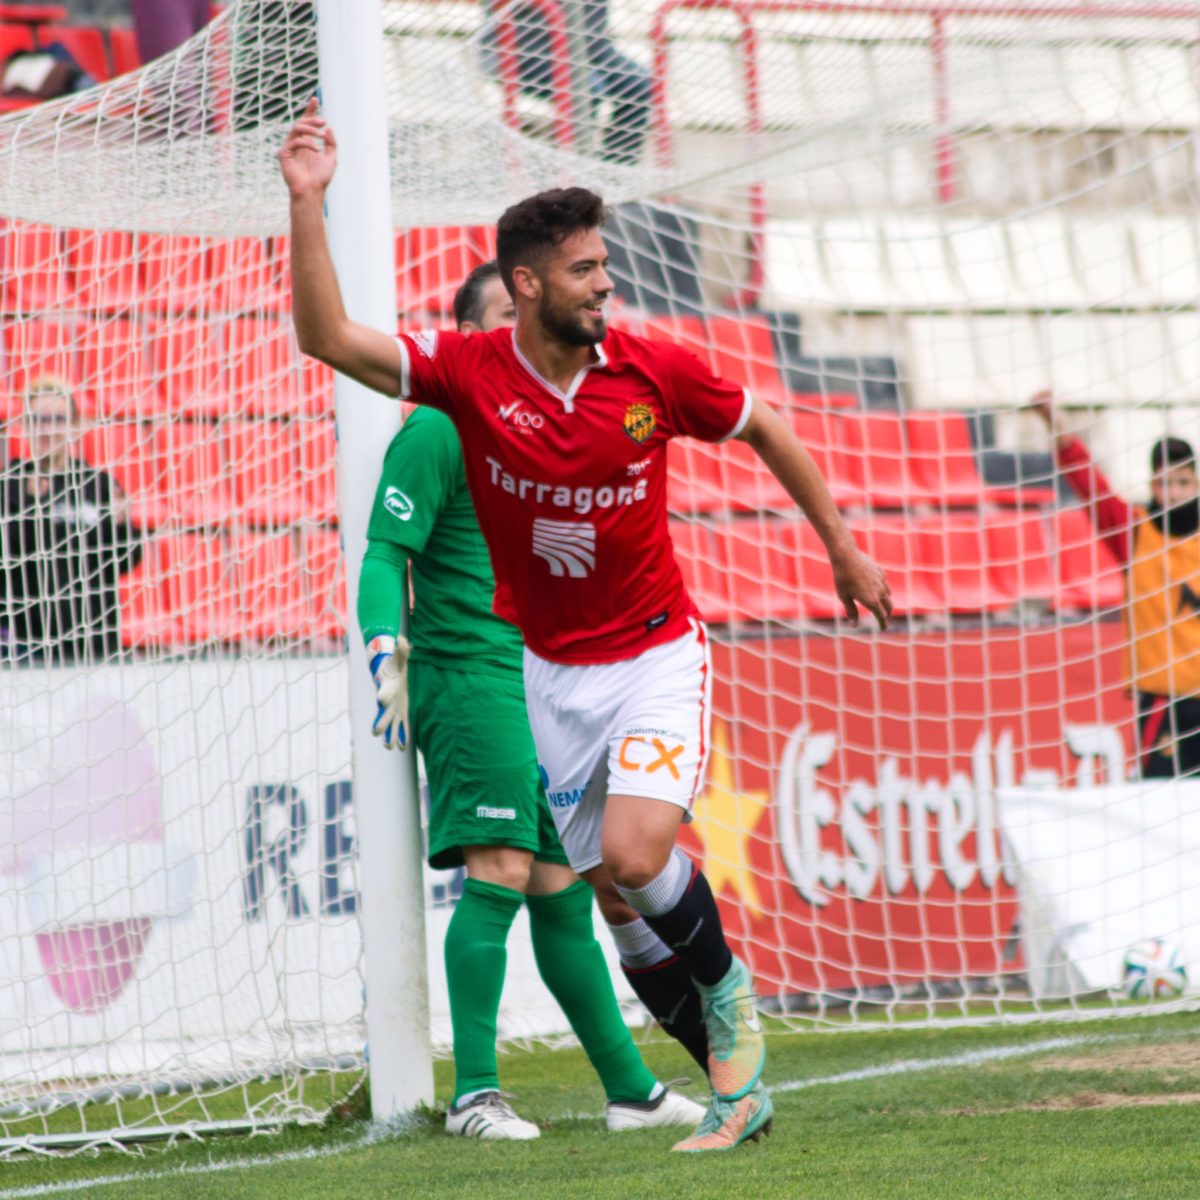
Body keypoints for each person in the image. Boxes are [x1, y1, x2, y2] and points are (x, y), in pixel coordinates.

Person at [279, 98, 892, 1152]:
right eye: (582, 270)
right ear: (526, 284)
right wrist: (307, 204)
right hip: (547, 674)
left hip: (655, 649)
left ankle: (729, 989)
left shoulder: (651, 369)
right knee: (608, 895)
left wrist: (841, 545)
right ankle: (726, 1085)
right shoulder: (470, 383)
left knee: (636, 851)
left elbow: (765, 423)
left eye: (605, 265)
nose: (605, 283)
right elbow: (326, 338)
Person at [359, 259, 705, 1140]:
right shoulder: (439, 426)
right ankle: (475, 1095)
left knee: (560, 888)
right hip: (472, 675)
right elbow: (382, 553)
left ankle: (630, 1089)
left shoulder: (545, 429)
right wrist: (382, 650)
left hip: (545, 680)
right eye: (500, 320)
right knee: (504, 872)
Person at [1034, 390, 1200, 778]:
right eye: (1163, 483)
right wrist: (1055, 422)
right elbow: (1090, 485)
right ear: (1152, 485)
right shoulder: (1135, 533)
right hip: (1164, 698)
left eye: (1181, 482)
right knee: (1166, 807)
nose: (1172, 492)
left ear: (1195, 483)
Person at [0, 377, 142, 663]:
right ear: (26, 426)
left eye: (57, 419)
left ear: (74, 425)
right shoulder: (8, 486)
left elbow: (126, 562)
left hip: (96, 644)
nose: (48, 429)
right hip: (28, 650)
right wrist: (30, 507)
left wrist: (122, 526)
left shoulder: (97, 484)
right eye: (39, 420)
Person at [486, 0, 652, 166]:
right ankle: (569, 171)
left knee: (640, 85)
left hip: (592, 45)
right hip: (523, 46)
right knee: (586, 88)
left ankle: (614, 175)